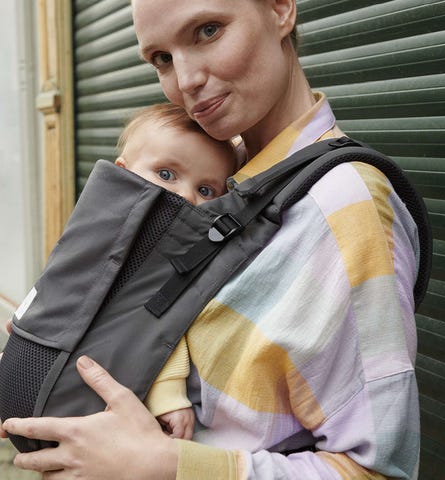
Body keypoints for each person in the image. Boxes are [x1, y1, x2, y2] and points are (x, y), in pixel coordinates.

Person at [1, 0, 421, 478]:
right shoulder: (223, 175)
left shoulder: (342, 206)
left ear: (280, 9)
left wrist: (163, 464)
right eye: (161, 58)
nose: (185, 81)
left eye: (207, 31)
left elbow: (375, 470)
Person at [115, 102, 237, 439]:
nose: (185, 196)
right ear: (122, 173)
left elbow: (165, 320)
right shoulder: (108, 231)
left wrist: (166, 394)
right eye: (166, 174)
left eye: (205, 190)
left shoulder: (187, 251)